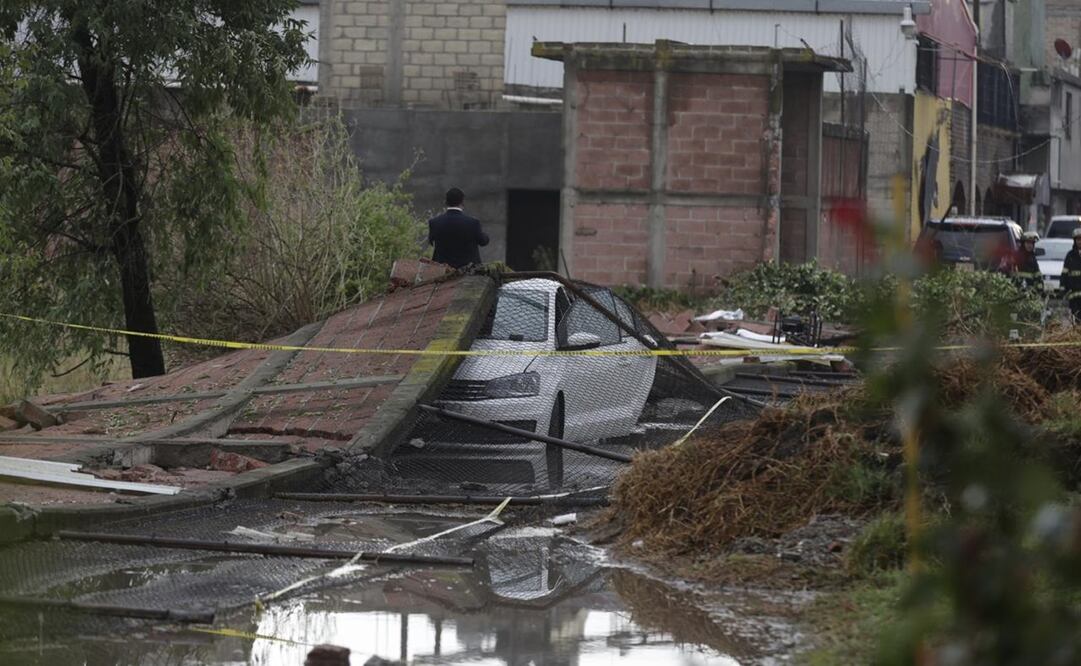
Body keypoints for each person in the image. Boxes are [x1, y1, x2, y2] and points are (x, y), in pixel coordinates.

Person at [427, 187, 488, 269]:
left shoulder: (434, 222)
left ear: (446, 202)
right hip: (469, 272)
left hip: (442, 271)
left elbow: (431, 242)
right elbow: (483, 242)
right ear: (462, 202)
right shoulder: (473, 223)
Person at [1063, 228, 1081, 323]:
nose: (1080, 242)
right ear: (1074, 240)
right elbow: (1064, 273)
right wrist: (1063, 288)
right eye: (1078, 239)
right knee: (1076, 317)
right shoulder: (1070, 255)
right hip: (1074, 293)